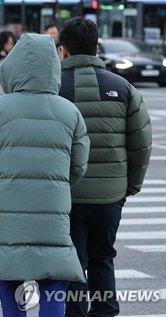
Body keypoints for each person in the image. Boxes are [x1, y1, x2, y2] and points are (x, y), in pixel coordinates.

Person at [0, 33, 91, 317]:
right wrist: (58, 184)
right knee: (52, 279)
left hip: (10, 210)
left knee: (11, 277)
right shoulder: (70, 112)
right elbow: (78, 166)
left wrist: (0, 187)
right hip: (53, 209)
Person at [58, 17, 152, 317]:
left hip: (68, 196)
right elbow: (141, 144)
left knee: (73, 263)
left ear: (63, 52)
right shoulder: (123, 88)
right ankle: (106, 311)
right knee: (103, 258)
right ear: (96, 48)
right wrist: (130, 186)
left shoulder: (53, 89)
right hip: (110, 196)